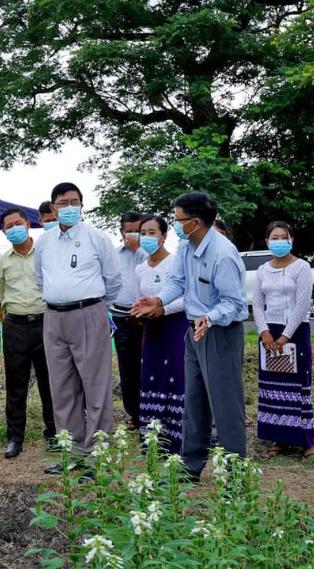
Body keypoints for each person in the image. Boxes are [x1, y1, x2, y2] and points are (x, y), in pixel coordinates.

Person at [133, 192, 248, 481]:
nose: (175, 224)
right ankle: (190, 465)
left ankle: (235, 473)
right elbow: (178, 282)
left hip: (219, 332)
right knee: (193, 402)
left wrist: (209, 317)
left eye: (179, 219)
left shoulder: (223, 253)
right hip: (193, 330)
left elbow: (234, 303)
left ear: (196, 222)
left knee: (225, 405)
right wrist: (158, 301)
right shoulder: (186, 247)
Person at [35, 182, 122, 478]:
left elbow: (113, 279)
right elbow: (39, 280)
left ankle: (98, 455)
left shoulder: (96, 238)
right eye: (62, 202)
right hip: (54, 317)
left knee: (95, 385)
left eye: (75, 201)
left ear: (82, 205)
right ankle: (71, 452)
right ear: (53, 207)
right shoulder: (44, 242)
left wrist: (97, 308)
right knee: (61, 388)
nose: (69, 207)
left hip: (88, 312)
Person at [0, 208, 57, 459]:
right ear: (4, 231)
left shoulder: (45, 254)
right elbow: (1, 295)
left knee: (49, 381)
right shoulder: (2, 262)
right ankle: (14, 437)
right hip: (15, 326)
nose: (14, 228)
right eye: (9, 226)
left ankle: (53, 433)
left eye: (18, 223)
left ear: (28, 225)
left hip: (46, 323)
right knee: (16, 384)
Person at [253, 221, 314, 459]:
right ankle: (279, 439)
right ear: (267, 241)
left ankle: (306, 441)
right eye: (274, 237)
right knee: (273, 387)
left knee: (298, 386)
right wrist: (264, 332)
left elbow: (302, 305)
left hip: (296, 332)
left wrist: (286, 336)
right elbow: (258, 304)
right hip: (269, 333)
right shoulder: (262, 270)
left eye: (284, 237)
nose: (279, 241)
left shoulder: (302, 267)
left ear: (291, 240)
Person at [129, 215, 187, 452]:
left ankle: (177, 438)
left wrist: (162, 310)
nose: (147, 237)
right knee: (151, 378)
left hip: (175, 327)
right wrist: (138, 311)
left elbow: (186, 297)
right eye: (143, 232)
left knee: (176, 377)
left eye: (152, 232)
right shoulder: (140, 268)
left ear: (164, 236)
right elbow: (139, 298)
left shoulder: (176, 263)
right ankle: (153, 438)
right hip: (150, 331)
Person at [111, 212, 148, 430]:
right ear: (121, 232)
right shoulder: (115, 255)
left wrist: (139, 248)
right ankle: (134, 414)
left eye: (138, 230)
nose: (133, 235)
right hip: (122, 317)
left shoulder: (149, 254)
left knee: (150, 366)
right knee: (128, 369)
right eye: (129, 230)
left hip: (148, 319)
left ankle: (153, 411)